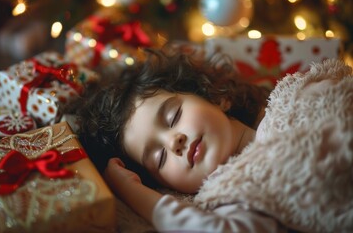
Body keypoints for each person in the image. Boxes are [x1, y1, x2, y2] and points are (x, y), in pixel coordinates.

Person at [75, 46, 353, 233]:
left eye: (173, 117)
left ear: (219, 97)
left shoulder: (296, 102)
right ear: (166, 186)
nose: (174, 142)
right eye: (159, 158)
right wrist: (135, 193)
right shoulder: (233, 196)